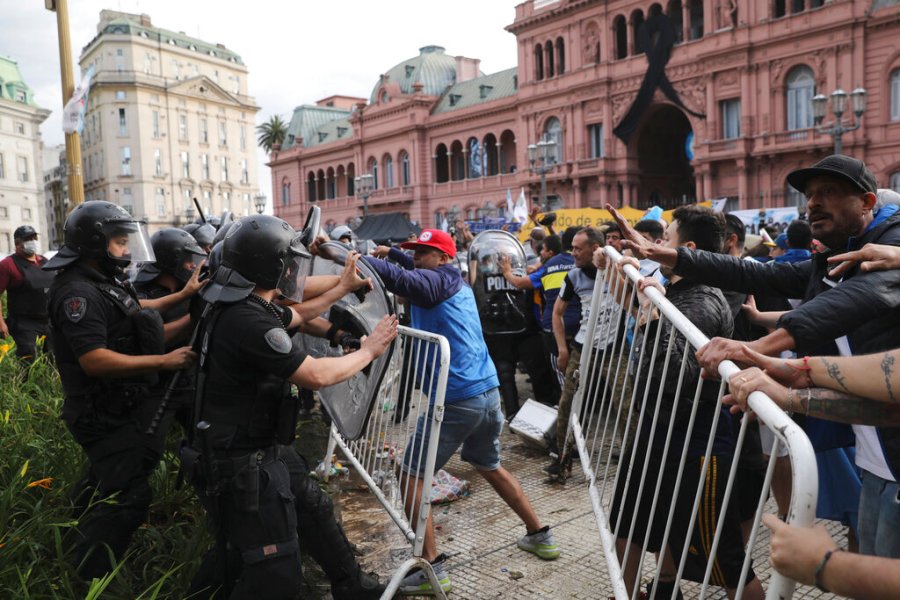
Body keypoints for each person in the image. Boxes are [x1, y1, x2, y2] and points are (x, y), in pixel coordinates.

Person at [606, 154, 900, 558]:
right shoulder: (831, 261)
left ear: (868, 202)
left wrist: (756, 350)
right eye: (810, 194)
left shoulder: (891, 246)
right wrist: (664, 255)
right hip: (876, 460)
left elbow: (848, 304)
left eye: (828, 192)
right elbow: (752, 273)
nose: (813, 202)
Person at [186, 214, 396, 599]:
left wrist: (342, 287)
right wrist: (369, 350)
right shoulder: (248, 319)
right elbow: (315, 374)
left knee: (310, 508)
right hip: (240, 459)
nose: (295, 272)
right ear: (271, 267)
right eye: (290, 263)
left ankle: (352, 586)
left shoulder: (236, 300)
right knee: (273, 573)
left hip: (253, 446)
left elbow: (296, 314)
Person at [366, 229, 560, 595]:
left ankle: (431, 569)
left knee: (411, 475)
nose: (418, 257)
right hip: (486, 394)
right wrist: (393, 250)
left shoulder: (435, 282)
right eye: (415, 252)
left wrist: (359, 260)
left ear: (443, 258)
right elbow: (412, 270)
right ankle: (540, 535)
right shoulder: (450, 280)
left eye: (425, 252)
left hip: (457, 398)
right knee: (488, 465)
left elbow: (404, 277)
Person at [608, 205, 763, 600]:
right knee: (631, 526)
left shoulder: (703, 301)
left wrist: (650, 308)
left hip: (696, 445)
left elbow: (668, 372)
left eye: (665, 238)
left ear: (688, 248)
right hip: (657, 432)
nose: (657, 245)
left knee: (725, 559)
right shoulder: (676, 291)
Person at [43, 201, 197, 579]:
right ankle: (90, 577)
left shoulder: (100, 282)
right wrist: (163, 361)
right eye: (118, 242)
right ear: (95, 243)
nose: (127, 250)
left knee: (104, 481)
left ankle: (66, 545)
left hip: (114, 406)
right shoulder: (77, 293)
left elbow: (134, 309)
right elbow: (94, 359)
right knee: (128, 495)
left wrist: (184, 296)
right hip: (99, 411)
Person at [548, 226, 610, 478]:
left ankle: (634, 461)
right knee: (567, 403)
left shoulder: (618, 270)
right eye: (571, 247)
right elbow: (557, 313)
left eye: (577, 248)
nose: (572, 253)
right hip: (582, 348)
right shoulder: (573, 277)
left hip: (615, 349)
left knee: (626, 407)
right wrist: (562, 349)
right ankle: (563, 461)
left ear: (595, 249)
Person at [499, 233, 578, 404]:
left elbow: (520, 283)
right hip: (581, 327)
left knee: (560, 372)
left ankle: (569, 410)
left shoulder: (549, 267)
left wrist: (507, 272)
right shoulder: (578, 262)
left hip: (554, 328)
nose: (540, 253)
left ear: (549, 252)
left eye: (542, 250)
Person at [0, 225, 55, 361]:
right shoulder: (8, 265)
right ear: (17, 244)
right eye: (28, 239)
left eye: (34, 238)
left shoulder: (44, 261)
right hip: (24, 324)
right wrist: (1, 323)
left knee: (53, 359)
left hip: (48, 321)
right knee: (29, 359)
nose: (32, 241)